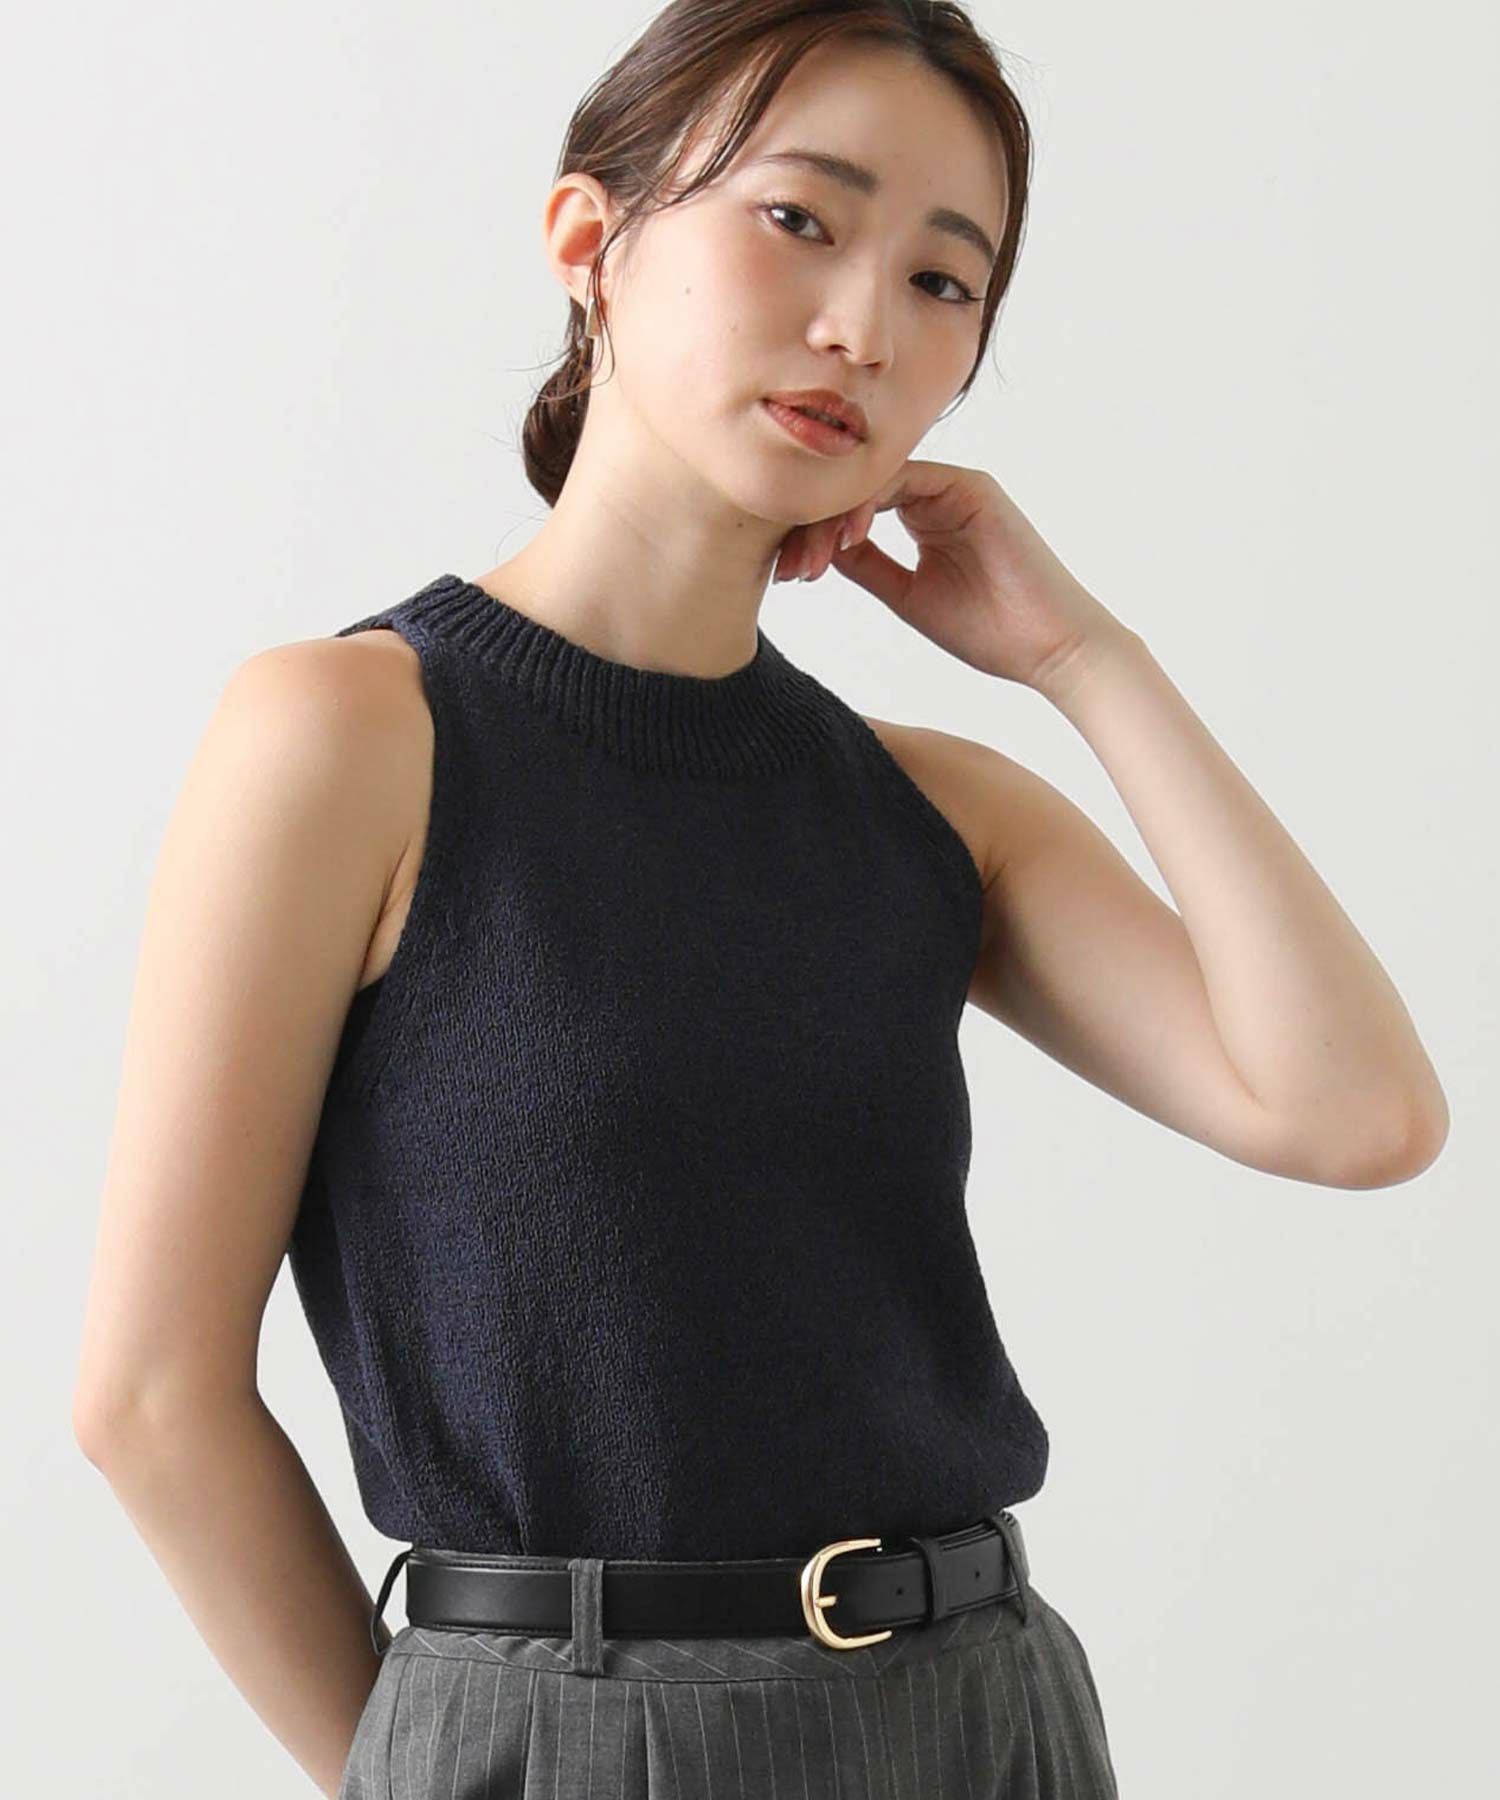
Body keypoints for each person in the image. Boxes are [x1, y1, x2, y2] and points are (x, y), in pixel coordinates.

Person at [72, 3, 1450, 1796]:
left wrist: (1085, 661)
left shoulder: (935, 809)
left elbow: (1356, 1115)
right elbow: (152, 1400)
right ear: (589, 240)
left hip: (988, 1719)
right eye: (800, 218)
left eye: (944, 281)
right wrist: (443, 1762)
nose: (863, 325)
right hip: (568, 1730)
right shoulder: (355, 737)